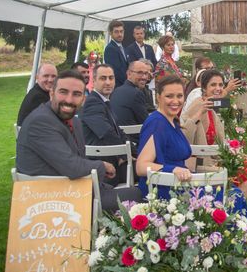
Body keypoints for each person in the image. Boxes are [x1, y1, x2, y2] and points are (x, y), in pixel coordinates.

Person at [16, 69, 142, 212]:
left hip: (77, 187)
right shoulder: (41, 121)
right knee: (139, 194)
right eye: (63, 92)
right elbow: (73, 167)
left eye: (76, 94)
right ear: (51, 94)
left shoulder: (72, 121)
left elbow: (78, 160)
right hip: (50, 201)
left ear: (83, 99)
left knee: (134, 189)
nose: (69, 100)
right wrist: (102, 165)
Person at [180, 70, 247, 198]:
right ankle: (234, 206)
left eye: (221, 85)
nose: (218, 88)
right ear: (204, 88)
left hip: (213, 158)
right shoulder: (199, 104)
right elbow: (184, 137)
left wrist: (243, 155)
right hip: (198, 164)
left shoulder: (211, 107)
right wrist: (198, 114)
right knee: (245, 168)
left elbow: (220, 142)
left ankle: (234, 205)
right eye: (213, 85)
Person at [136, 75, 193, 200]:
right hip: (163, 191)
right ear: (158, 98)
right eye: (169, 96)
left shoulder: (172, 121)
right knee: (232, 196)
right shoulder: (157, 123)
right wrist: (173, 169)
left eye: (179, 96)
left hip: (179, 185)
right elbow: (141, 166)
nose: (176, 101)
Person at [80, 64, 132, 186]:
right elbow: (107, 134)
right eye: (103, 78)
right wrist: (126, 155)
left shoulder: (103, 101)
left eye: (111, 78)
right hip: (105, 170)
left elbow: (118, 131)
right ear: (94, 81)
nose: (108, 82)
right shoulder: (92, 102)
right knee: (147, 171)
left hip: (114, 159)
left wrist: (136, 152)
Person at [110, 61, 153, 141]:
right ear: (129, 74)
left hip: (118, 140)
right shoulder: (136, 93)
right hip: (133, 143)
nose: (144, 77)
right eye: (140, 73)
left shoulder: (116, 91)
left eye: (146, 73)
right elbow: (147, 123)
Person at [103, 20, 128, 87]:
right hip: (118, 87)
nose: (120, 34)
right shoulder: (110, 49)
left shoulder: (122, 47)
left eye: (121, 31)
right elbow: (116, 72)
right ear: (111, 33)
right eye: (116, 32)